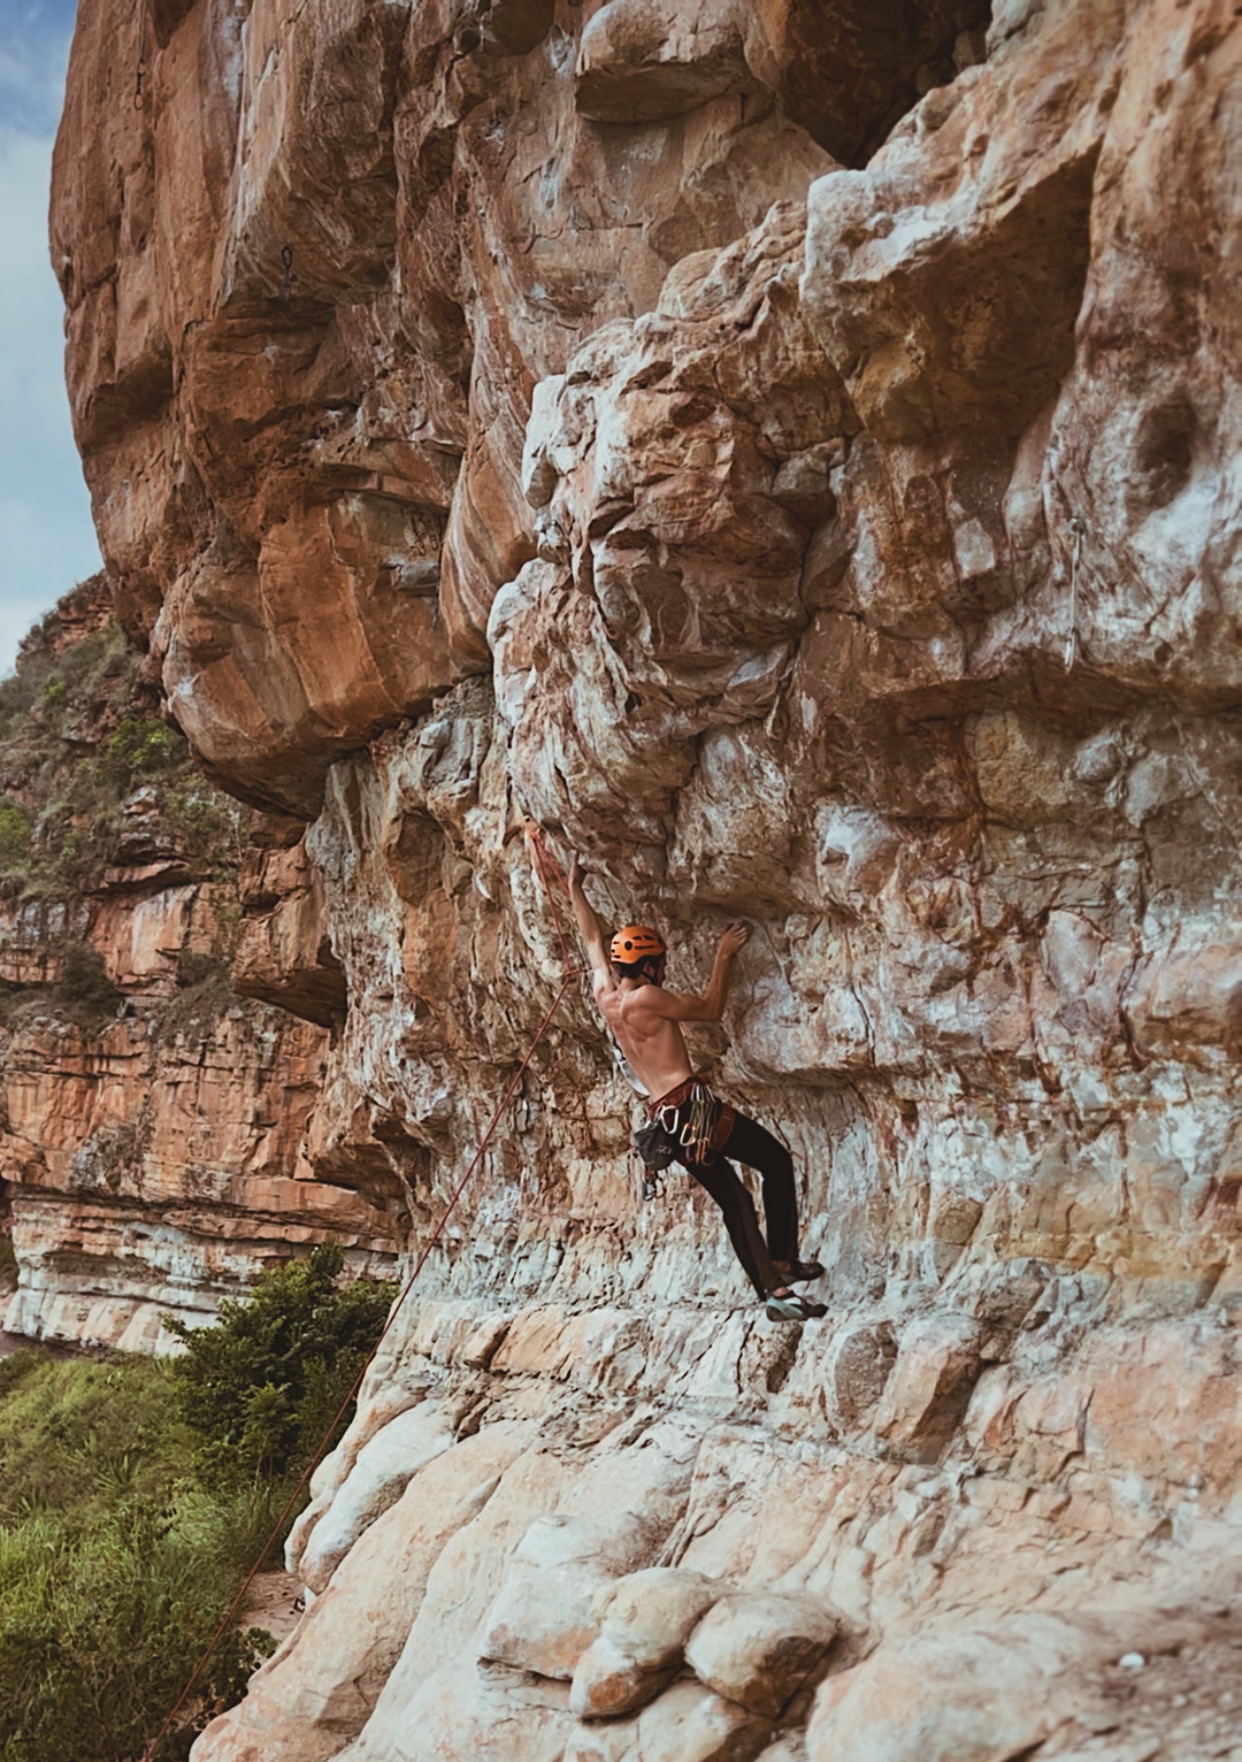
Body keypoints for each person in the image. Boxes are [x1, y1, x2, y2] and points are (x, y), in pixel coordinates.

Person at [568, 854, 826, 1321]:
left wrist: (574, 888)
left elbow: (590, 939)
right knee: (772, 1164)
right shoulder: (647, 998)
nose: (664, 969)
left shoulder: (606, 996)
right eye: (661, 963)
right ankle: (777, 1281)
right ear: (648, 967)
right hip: (693, 1110)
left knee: (737, 1198)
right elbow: (709, 1008)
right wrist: (723, 955)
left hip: (667, 1120)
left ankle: (778, 1278)